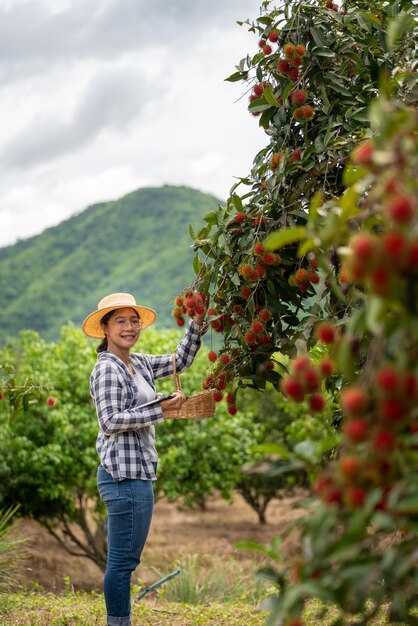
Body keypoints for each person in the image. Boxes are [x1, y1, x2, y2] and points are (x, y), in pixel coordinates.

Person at [82, 292, 206, 626]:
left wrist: (197, 319)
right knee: (122, 562)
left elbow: (181, 360)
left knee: (126, 560)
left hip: (138, 472)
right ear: (105, 328)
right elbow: (110, 421)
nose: (129, 327)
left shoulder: (140, 363)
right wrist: (160, 408)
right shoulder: (107, 368)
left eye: (133, 320)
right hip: (122, 476)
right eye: (120, 321)